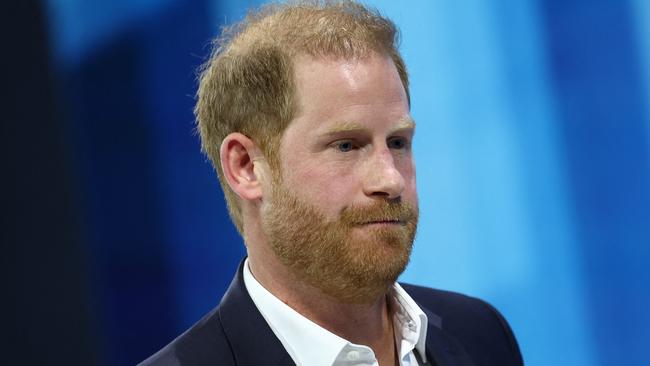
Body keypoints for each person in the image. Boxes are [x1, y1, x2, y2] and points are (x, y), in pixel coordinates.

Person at [141, 1, 523, 365]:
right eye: (346, 145)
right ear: (246, 167)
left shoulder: (480, 333)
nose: (390, 180)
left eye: (398, 143)